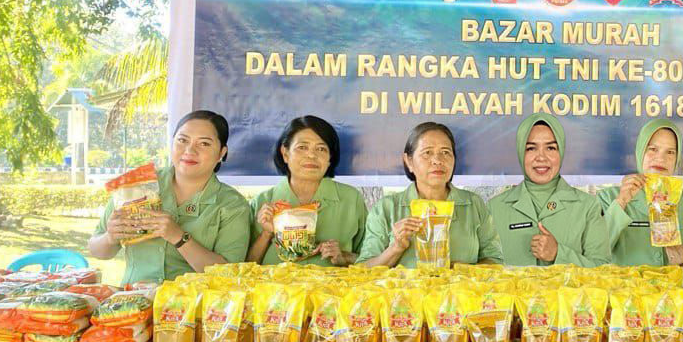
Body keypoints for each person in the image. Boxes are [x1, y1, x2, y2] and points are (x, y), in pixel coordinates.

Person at [88, 110, 250, 284]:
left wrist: (179, 237)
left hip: (192, 300)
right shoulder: (138, 185)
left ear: (221, 153)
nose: (189, 150)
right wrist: (110, 237)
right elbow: (97, 251)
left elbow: (228, 276)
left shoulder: (233, 205)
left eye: (204, 143)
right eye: (182, 140)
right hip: (134, 297)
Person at [357, 122, 503, 267]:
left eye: (445, 152)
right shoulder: (386, 208)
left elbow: (495, 261)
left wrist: (460, 270)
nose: (437, 160)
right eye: (427, 152)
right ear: (409, 161)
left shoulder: (473, 204)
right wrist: (396, 248)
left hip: (460, 284)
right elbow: (363, 268)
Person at [488, 115, 612, 267]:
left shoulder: (588, 206)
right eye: (531, 148)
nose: (541, 157)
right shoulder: (494, 208)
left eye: (550, 148)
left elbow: (602, 269)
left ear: (561, 151)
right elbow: (483, 269)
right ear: (520, 152)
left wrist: (559, 254)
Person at [247, 115, 368, 266]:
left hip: (332, 282)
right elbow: (243, 267)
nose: (311, 155)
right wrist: (266, 233)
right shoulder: (263, 202)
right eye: (302, 147)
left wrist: (345, 257)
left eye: (321, 149)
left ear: (329, 158)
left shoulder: (351, 199)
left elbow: (373, 260)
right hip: (274, 282)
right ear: (285, 153)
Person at [597, 118, 683, 267]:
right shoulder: (607, 198)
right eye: (653, 149)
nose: (661, 158)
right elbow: (592, 254)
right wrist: (621, 202)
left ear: (676, 158)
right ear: (640, 152)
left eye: (670, 152)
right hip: (623, 283)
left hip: (678, 283)